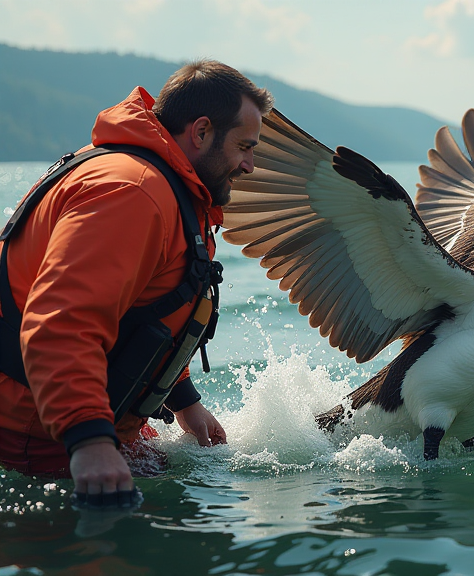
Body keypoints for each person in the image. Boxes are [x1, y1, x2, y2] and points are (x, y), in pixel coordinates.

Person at [0, 60, 273, 504]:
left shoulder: (170, 190)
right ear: (200, 131)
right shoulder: (133, 193)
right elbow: (61, 323)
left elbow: (147, 309)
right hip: (36, 435)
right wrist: (89, 443)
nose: (251, 165)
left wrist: (184, 399)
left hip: (84, 418)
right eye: (244, 146)